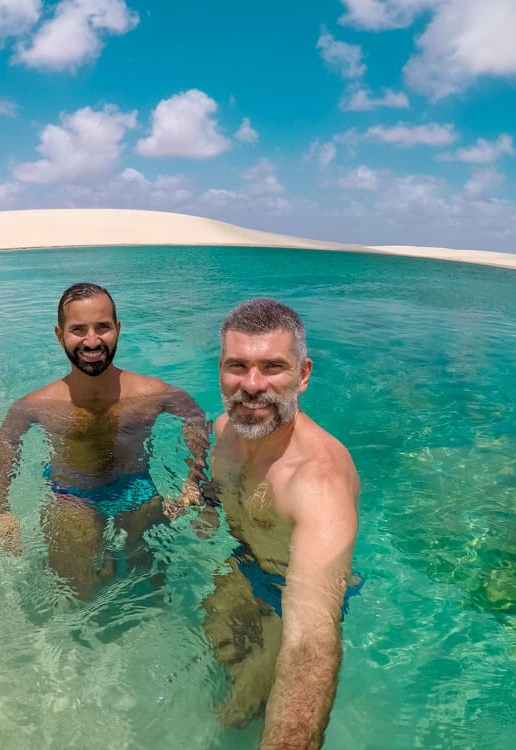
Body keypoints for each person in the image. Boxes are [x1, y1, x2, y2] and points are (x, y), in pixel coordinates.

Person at [203, 298, 360, 750]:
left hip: (289, 590)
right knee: (222, 660)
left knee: (238, 714)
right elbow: (216, 487)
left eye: (273, 367)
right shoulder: (224, 432)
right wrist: (199, 500)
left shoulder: (318, 482)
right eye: (238, 366)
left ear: (303, 374)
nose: (252, 386)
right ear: (220, 370)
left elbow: (312, 637)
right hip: (241, 567)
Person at [0, 282, 210, 600]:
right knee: (78, 590)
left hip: (137, 489)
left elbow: (195, 418)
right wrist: (3, 510)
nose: (92, 341)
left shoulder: (153, 393)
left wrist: (193, 480)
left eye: (103, 327)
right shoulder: (37, 404)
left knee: (150, 585)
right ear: (59, 334)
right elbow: (5, 441)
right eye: (78, 329)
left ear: (118, 329)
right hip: (71, 496)